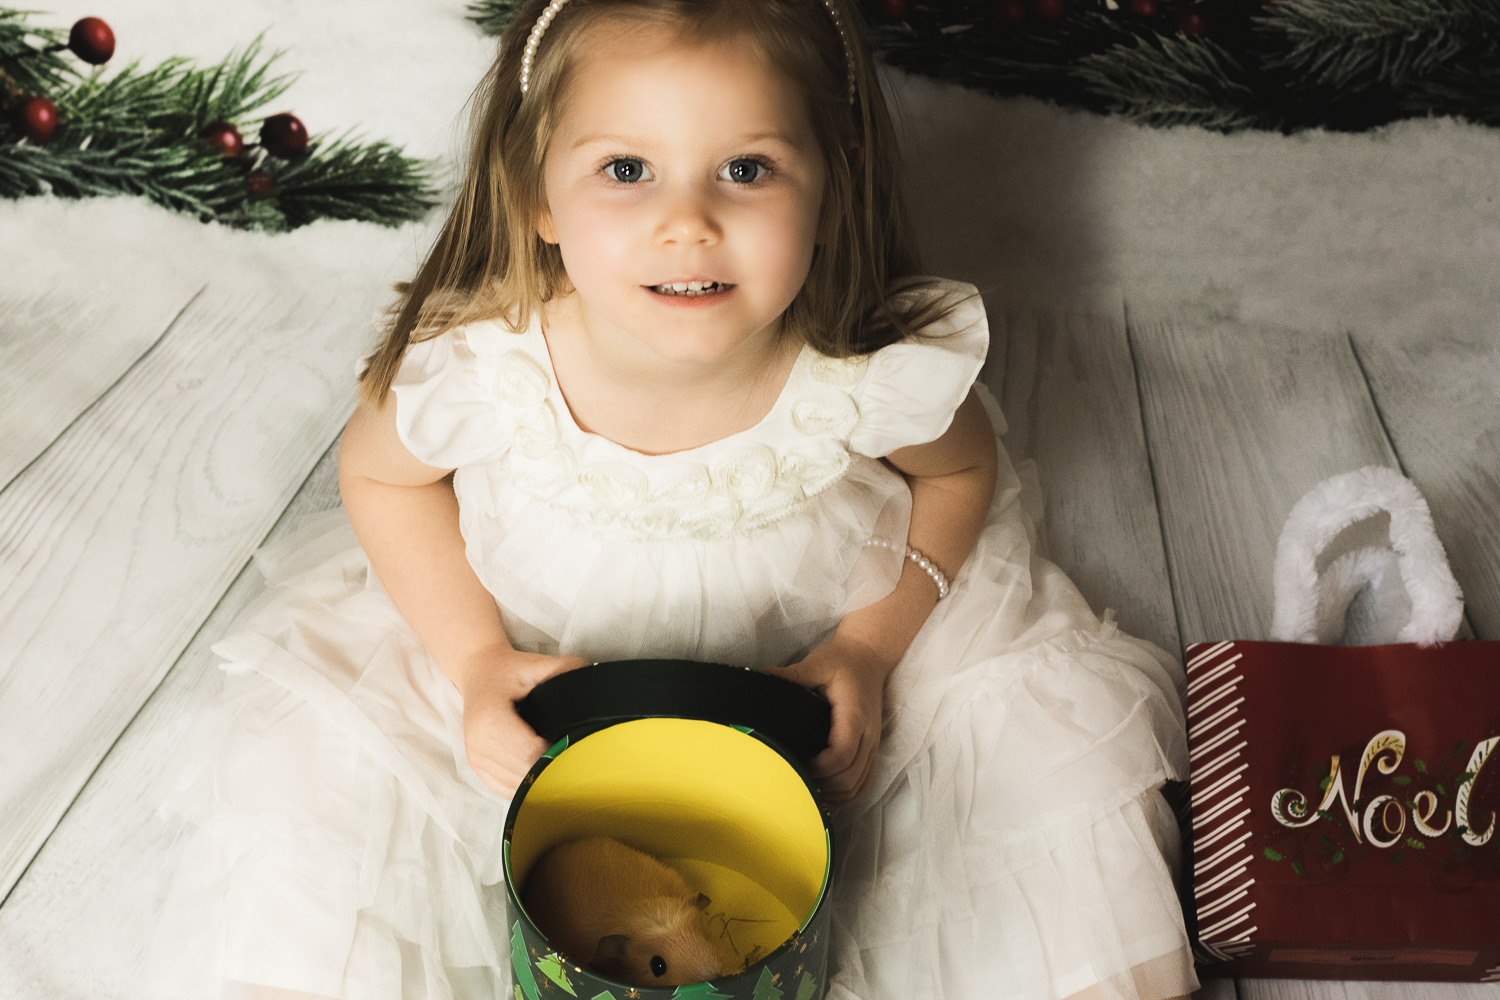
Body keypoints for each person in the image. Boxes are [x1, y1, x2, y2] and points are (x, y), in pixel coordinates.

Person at [148, 1, 1197, 998]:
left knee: (1042, 755)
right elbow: (380, 475)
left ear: (830, 188)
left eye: (746, 169)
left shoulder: (858, 368)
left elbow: (962, 474)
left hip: (812, 628)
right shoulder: (489, 365)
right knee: (323, 771)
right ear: (538, 200)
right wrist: (472, 661)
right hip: (531, 628)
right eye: (627, 169)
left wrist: (873, 647)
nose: (686, 222)